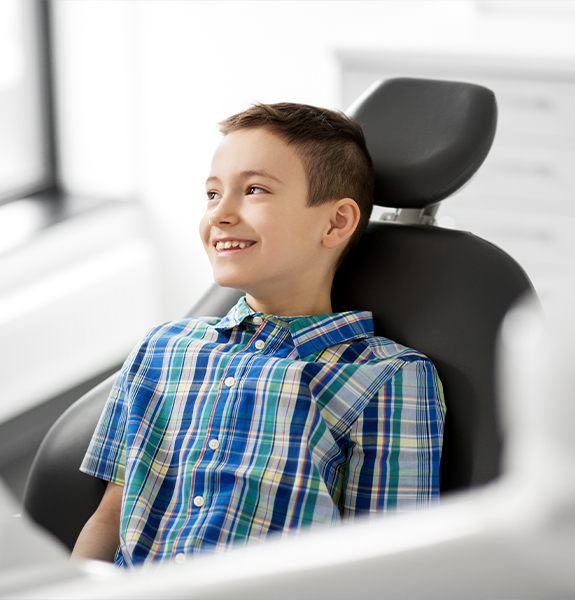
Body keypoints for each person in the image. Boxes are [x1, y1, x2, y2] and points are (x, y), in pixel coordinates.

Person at [72, 102, 445, 568]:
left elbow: (388, 565)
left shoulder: (386, 378)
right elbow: (111, 517)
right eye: (211, 194)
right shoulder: (162, 349)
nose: (220, 214)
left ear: (336, 222)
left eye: (253, 190)